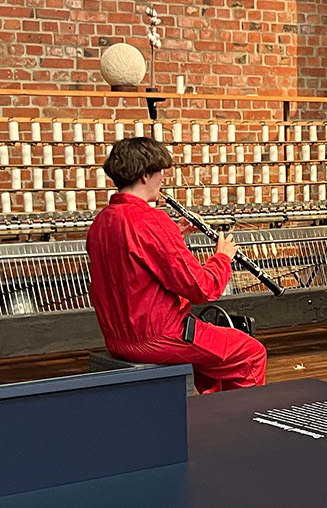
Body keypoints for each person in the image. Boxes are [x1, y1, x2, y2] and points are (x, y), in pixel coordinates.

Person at [85, 136, 267, 392]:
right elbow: (202, 288)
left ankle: (211, 411)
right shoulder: (151, 220)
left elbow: (134, 264)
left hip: (118, 338)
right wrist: (222, 258)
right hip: (158, 337)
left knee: (215, 358)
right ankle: (240, 416)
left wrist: (175, 237)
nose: (163, 178)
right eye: (160, 171)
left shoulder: (102, 221)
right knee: (249, 353)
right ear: (145, 175)